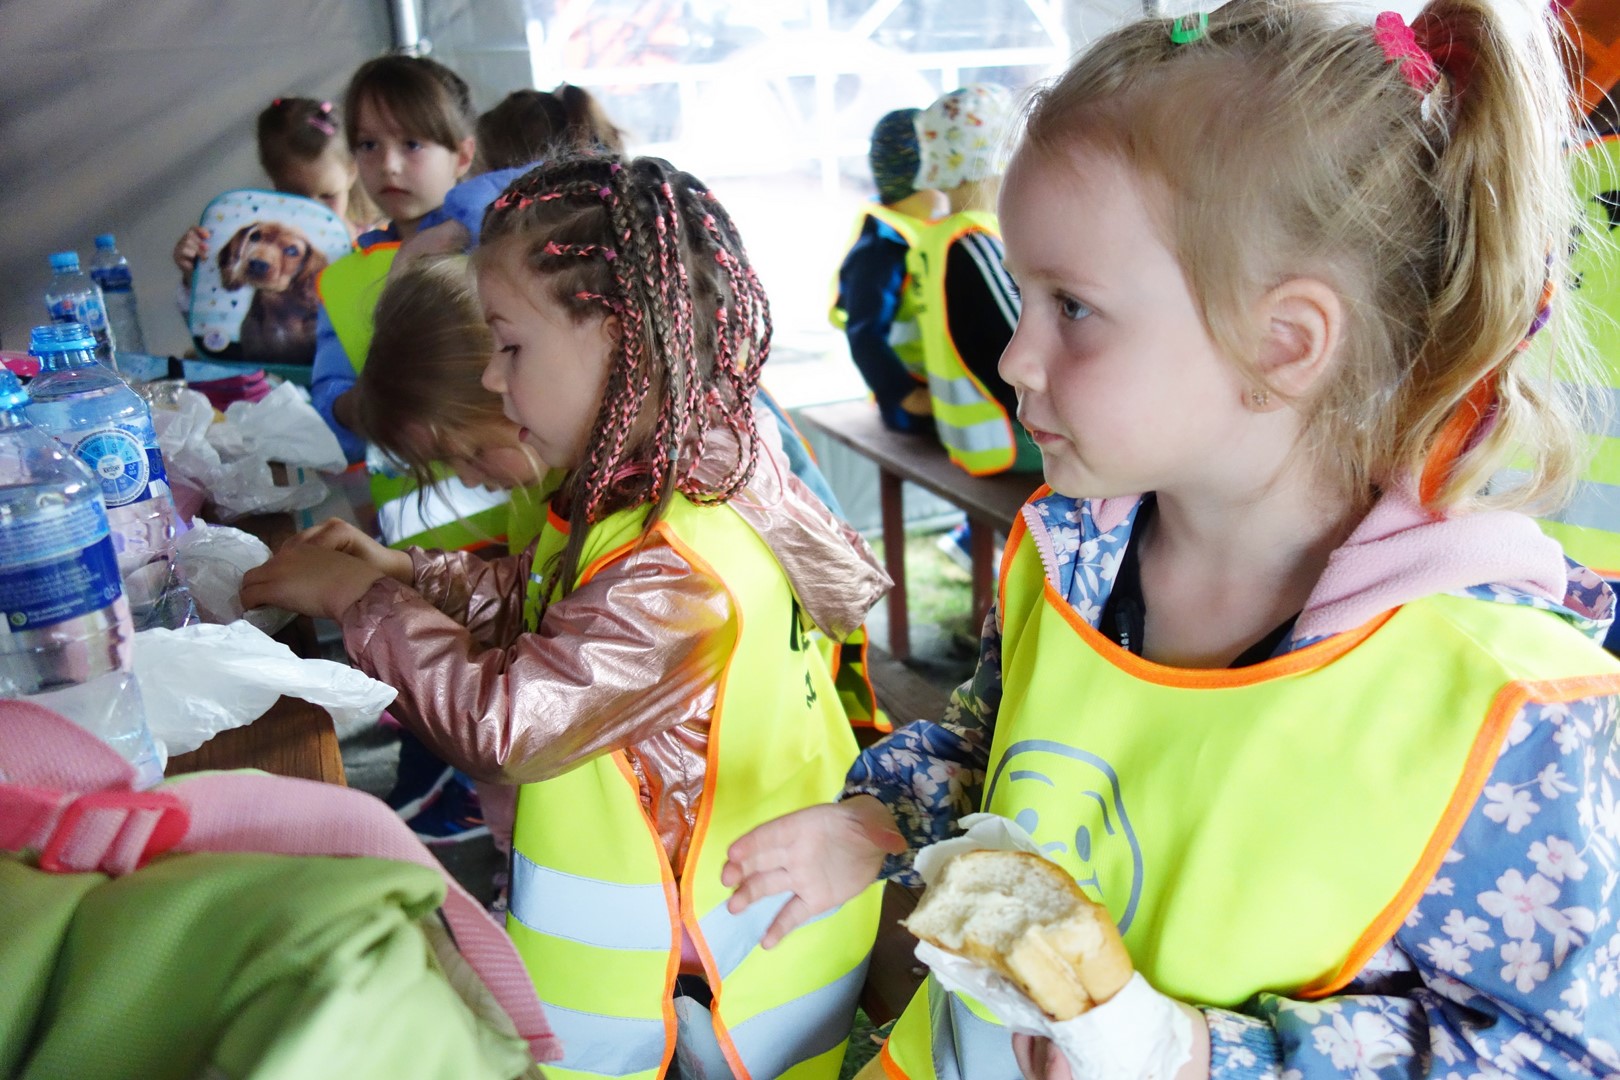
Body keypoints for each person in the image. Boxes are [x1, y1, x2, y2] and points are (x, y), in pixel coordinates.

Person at [722, 2, 1620, 1078]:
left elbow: (1547, 1052)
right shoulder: (1066, 558)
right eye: (1024, 294)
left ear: (1284, 342)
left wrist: (1194, 1056)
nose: (1013, 357)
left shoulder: (1502, 710)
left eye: (1072, 308)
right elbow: (999, 757)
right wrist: (873, 822)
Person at [242, 152, 889, 1079]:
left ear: (619, 340)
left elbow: (508, 725)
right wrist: (406, 572)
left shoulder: (672, 569)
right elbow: (548, 602)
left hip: (715, 965)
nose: (493, 380)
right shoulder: (684, 475)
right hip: (706, 942)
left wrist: (359, 601)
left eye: (510, 348)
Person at [310, 54, 478, 469]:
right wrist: (367, 404)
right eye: (369, 145)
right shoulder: (341, 277)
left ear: (462, 156)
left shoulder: (495, 246)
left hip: (525, 505)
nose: (388, 165)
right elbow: (330, 403)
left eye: (412, 144)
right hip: (402, 508)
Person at [910, 84, 1040, 477]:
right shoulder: (975, 243)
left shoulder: (935, 237)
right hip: (1014, 439)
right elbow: (1026, 346)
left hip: (968, 435)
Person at [171, 96, 382, 289]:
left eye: (327, 195)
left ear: (352, 172)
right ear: (274, 179)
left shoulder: (378, 245)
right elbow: (220, 309)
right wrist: (195, 274)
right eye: (297, 197)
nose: (313, 210)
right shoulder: (256, 242)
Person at [831, 107, 945, 434]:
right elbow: (864, 335)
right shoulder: (881, 249)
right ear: (926, 177)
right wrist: (904, 394)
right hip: (914, 403)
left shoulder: (925, 231)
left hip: (943, 395)